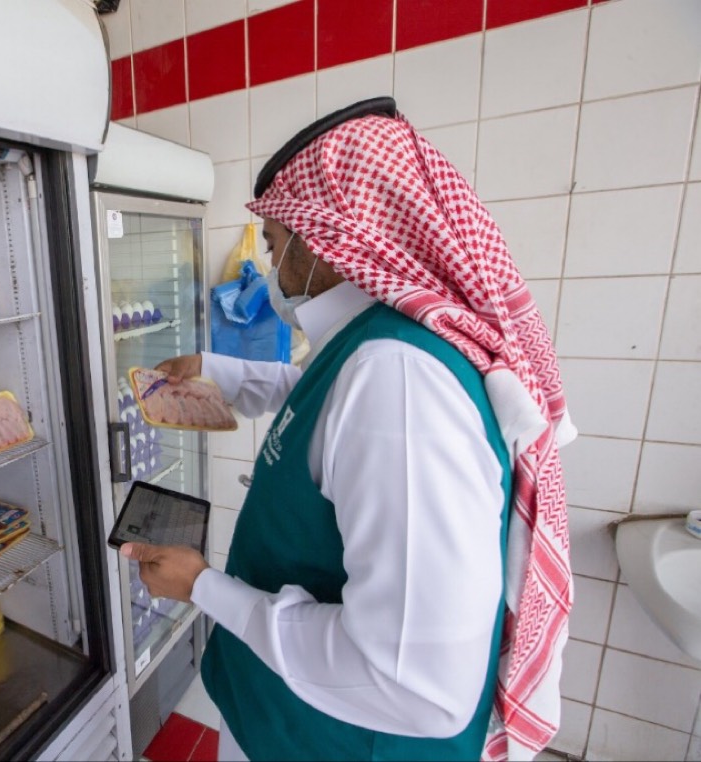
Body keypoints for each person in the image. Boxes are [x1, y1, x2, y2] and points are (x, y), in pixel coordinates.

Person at [120, 98, 577, 762]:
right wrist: (213, 369)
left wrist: (202, 587)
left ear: (318, 240)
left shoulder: (397, 378)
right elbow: (318, 403)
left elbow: (416, 686)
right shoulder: (381, 343)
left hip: (337, 741)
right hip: (292, 721)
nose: (271, 270)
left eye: (273, 245)